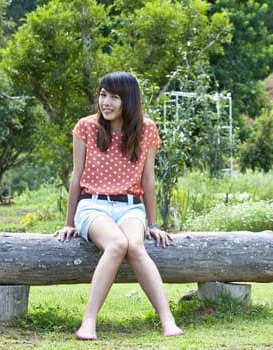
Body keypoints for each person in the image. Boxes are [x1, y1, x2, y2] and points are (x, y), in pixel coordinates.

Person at [54, 72, 184, 341]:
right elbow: (76, 178)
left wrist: (153, 224)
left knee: (135, 246)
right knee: (117, 244)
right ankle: (88, 322)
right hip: (92, 205)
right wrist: (69, 223)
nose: (107, 102)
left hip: (130, 207)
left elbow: (148, 180)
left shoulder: (146, 129)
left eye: (114, 97)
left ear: (129, 100)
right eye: (103, 95)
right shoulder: (86, 127)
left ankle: (167, 320)